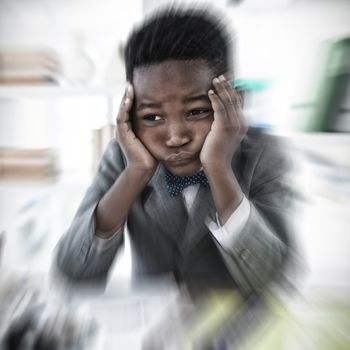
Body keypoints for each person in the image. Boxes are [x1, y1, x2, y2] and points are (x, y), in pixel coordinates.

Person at [54, 6, 294, 298]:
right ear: (130, 114)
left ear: (233, 102)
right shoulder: (125, 155)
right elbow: (73, 273)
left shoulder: (264, 153)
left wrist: (218, 167)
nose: (176, 137)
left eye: (196, 111)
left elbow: (271, 278)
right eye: (153, 117)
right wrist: (135, 173)